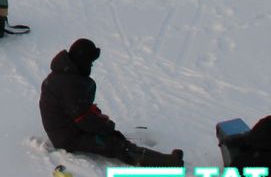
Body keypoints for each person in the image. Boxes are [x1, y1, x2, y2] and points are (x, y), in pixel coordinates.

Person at [38, 38, 183, 167]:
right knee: (116, 145)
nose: (91, 66)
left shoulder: (63, 74)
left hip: (66, 129)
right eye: (90, 62)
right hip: (67, 138)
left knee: (110, 135)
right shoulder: (70, 83)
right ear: (82, 61)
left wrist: (94, 116)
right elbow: (83, 119)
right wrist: (107, 127)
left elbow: (76, 109)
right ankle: (170, 162)